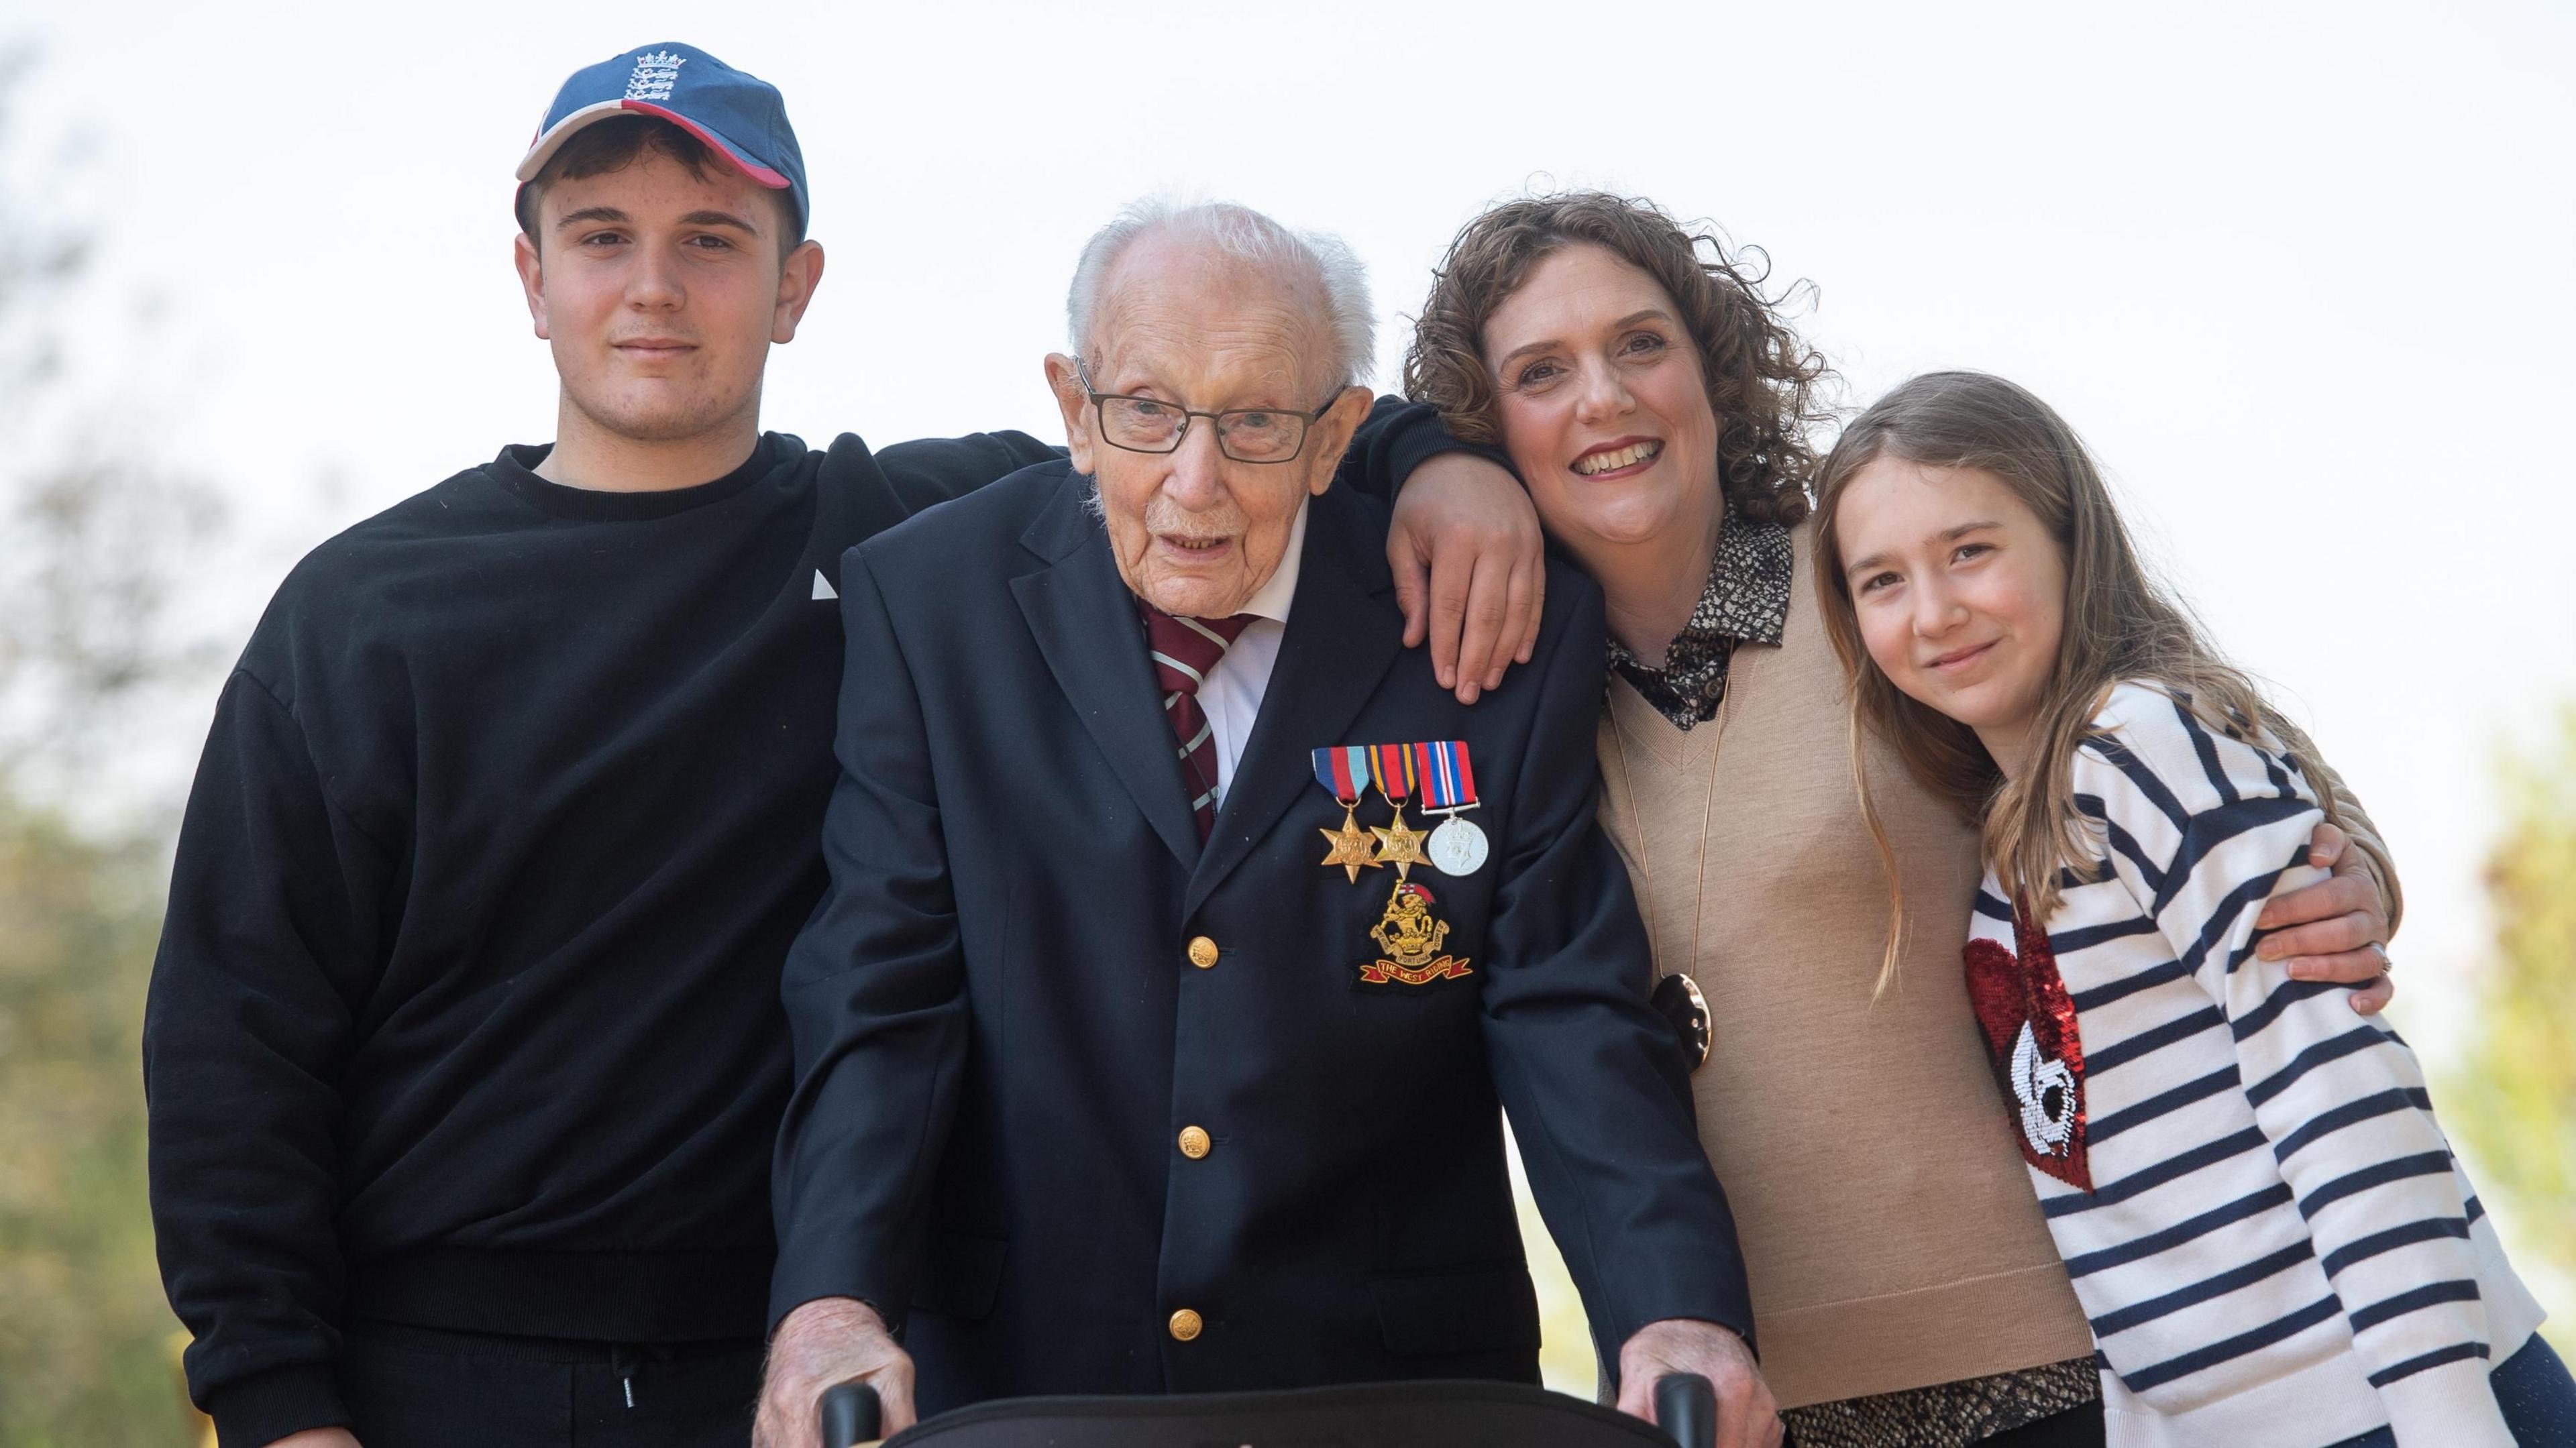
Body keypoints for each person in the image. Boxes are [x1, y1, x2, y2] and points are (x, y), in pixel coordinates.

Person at [142, 47, 1538, 1448]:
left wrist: (1433, 459)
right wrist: (277, 1402)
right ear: (532, 280)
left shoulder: (907, 535)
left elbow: (1206, 418)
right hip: (441, 1364)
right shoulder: (367, 611)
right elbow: (233, 1042)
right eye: (601, 238)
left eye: (710, 241)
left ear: (794, 286)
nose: (652, 287)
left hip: (816, 1364)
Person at [753, 199, 1778, 1448]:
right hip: (1027, 1382)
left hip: (1393, 1392)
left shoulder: (1482, 623)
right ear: (1074, 410)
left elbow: (1566, 1004)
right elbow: (881, 994)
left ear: (1338, 432)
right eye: (1146, 411)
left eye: (1254, 422)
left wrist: (1676, 1311)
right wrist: (829, 1300)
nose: (1197, 482)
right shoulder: (929, 604)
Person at [1394, 192, 2409, 1447]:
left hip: (2068, 1362)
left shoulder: (1880, 588)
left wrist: (2346, 864)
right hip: (1752, 1403)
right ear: (1492, 429)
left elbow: (2174, 710)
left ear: (1712, 368)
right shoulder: (1505, 700)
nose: (1603, 397)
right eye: (1543, 372)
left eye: (1641, 343)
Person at [1810, 368, 2573, 1447]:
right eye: (1882, 580)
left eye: (1969, 550)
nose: (1934, 612)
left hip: (2395, 1400)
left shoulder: (2142, 744)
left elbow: (2332, 1078)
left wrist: (2445, 1413)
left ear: (2072, 543)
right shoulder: (2012, 852)